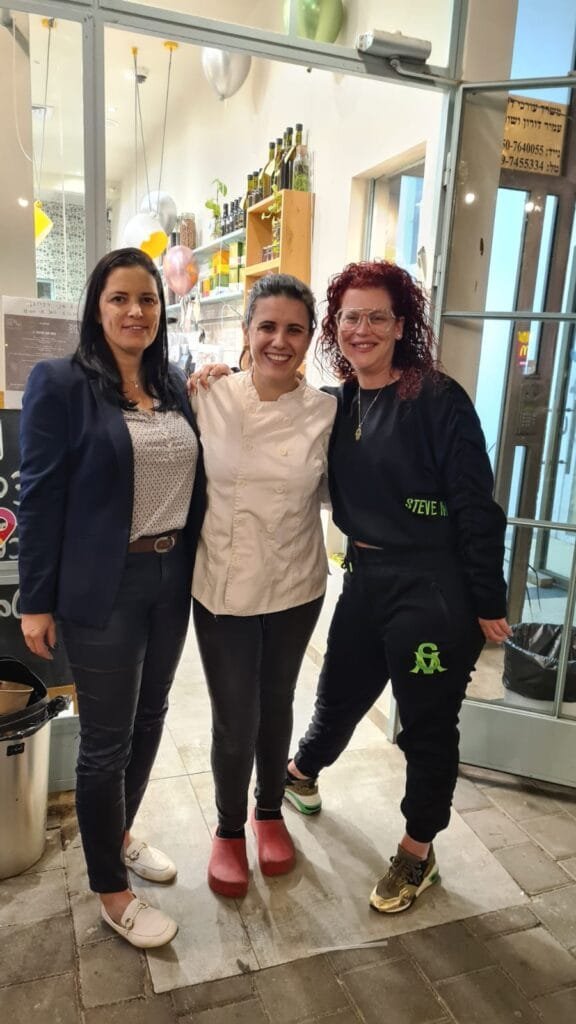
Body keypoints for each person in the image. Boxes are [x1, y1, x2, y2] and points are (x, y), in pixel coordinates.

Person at [283, 260, 511, 914]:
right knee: (339, 690)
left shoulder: (437, 399)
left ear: (401, 324)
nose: (362, 329)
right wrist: (219, 378)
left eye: (376, 317)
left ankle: (418, 850)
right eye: (350, 317)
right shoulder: (339, 402)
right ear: (336, 326)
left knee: (427, 725)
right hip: (365, 577)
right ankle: (301, 773)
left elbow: (474, 505)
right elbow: (269, 405)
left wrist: (487, 599)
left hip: (432, 588)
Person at [18, 248, 205, 948]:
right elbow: (39, 498)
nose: (135, 311)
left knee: (152, 714)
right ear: (96, 308)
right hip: (104, 585)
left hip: (172, 578)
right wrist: (35, 600)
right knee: (106, 739)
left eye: (147, 299)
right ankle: (111, 891)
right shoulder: (61, 383)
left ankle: (119, 833)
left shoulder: (172, 383)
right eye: (120, 298)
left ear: (162, 310)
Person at [190, 273, 336, 899]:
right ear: (247, 331)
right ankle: (228, 828)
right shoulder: (208, 395)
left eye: (294, 329)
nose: (280, 340)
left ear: (310, 337)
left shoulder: (327, 412)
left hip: (297, 582)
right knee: (235, 713)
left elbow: (343, 491)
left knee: (277, 702)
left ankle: (269, 810)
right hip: (221, 585)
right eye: (267, 327)